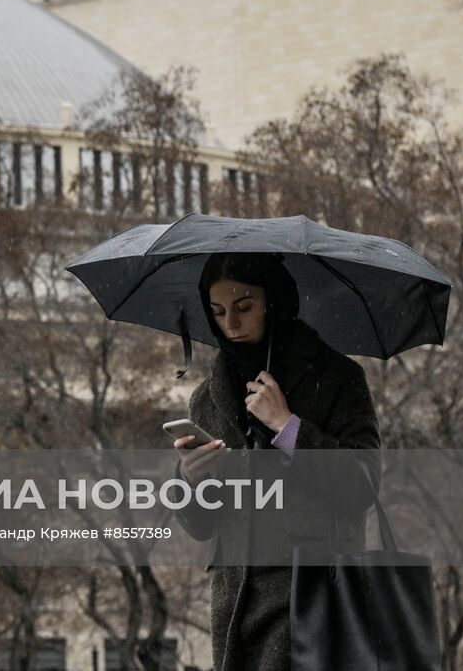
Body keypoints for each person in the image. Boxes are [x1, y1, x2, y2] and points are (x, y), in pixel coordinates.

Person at [170, 251, 381, 671]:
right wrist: (191, 481)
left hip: (312, 599)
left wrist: (287, 427)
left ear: (275, 301)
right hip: (235, 612)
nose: (230, 322)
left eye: (244, 307)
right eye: (218, 311)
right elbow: (200, 525)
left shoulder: (337, 378)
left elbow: (362, 485)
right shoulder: (208, 397)